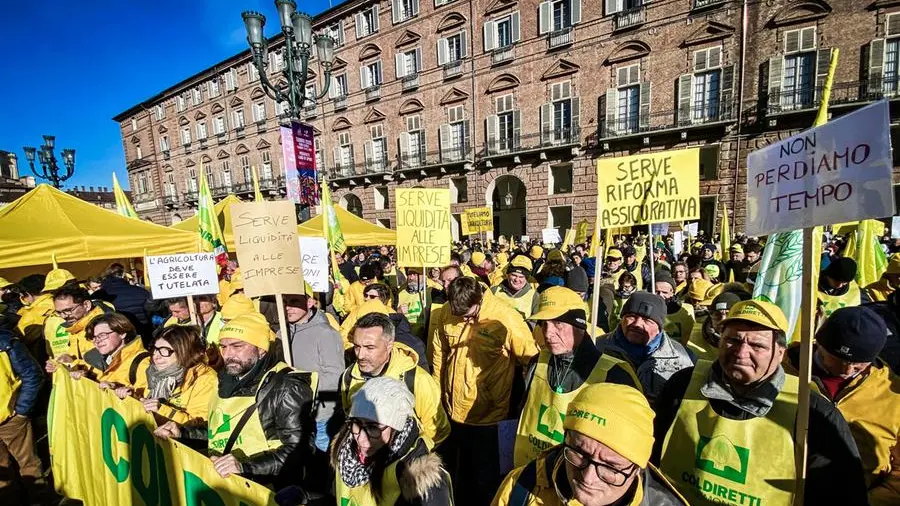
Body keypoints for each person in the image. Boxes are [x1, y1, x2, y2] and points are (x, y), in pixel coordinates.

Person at [653, 300, 868, 505]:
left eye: (757, 345)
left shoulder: (810, 412)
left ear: (780, 354)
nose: (741, 353)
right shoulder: (683, 384)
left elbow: (842, 494)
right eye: (733, 340)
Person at [155, 313, 316, 486]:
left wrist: (245, 467)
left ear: (261, 349)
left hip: (269, 489)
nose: (228, 354)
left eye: (237, 346)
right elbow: (219, 429)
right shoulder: (224, 380)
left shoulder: (286, 386)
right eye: (223, 347)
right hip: (229, 487)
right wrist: (183, 432)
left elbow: (300, 450)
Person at [431, 276, 539, 505]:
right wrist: (437, 392)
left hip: (488, 416)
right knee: (458, 474)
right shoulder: (447, 311)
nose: (463, 319)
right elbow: (440, 352)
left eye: (468, 315)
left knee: (484, 478)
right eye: (459, 315)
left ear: (479, 300)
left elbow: (531, 358)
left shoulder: (505, 317)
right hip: (453, 411)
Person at [493, 384, 687, 506]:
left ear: (637, 469)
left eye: (610, 466)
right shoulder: (522, 485)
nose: (588, 478)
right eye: (580, 453)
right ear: (566, 440)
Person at [784, 306, 900, 505]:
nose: (847, 369)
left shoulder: (893, 394)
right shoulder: (781, 371)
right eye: (839, 359)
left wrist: (866, 502)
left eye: (858, 364)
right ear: (820, 344)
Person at [514, 287, 640, 467]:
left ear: (579, 325)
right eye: (544, 324)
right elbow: (521, 411)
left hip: (579, 477)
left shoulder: (614, 374)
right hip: (530, 471)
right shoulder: (538, 361)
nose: (548, 333)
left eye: (558, 323)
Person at [331, 377, 453, 505]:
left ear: (397, 427)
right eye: (356, 423)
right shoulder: (344, 453)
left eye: (373, 428)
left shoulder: (422, 482)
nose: (361, 439)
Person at [341, 313, 449, 445]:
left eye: (370, 347)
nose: (360, 355)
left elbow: (437, 431)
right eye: (357, 346)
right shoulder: (349, 377)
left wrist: (412, 453)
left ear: (389, 345)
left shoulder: (417, 380)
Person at [280, 290, 345, 454]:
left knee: (322, 459)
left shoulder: (326, 334)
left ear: (310, 303)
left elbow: (334, 375)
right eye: (285, 302)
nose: (287, 307)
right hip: (291, 414)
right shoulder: (282, 334)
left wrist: (303, 393)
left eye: (294, 301)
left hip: (320, 416)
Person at [606, 292, 694, 404]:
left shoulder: (684, 358)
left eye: (647, 320)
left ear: (659, 327)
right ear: (622, 318)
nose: (637, 324)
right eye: (631, 316)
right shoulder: (599, 348)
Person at [132, 325, 217, 425]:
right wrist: (132, 397)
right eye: (155, 349)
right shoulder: (154, 372)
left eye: (165, 351)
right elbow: (145, 404)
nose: (156, 356)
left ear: (184, 352)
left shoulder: (206, 380)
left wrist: (161, 410)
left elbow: (200, 426)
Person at [0, 328, 45, 505]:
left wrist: (21, 411)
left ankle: (39, 501)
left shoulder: (5, 341)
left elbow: (32, 374)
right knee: (2, 474)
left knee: (29, 466)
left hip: (11, 420)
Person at [43, 284, 113, 361]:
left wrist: (73, 363)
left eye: (68, 310)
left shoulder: (104, 327)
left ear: (87, 305)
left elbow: (108, 364)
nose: (63, 316)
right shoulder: (74, 328)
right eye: (59, 312)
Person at [97, 262, 152, 339]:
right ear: (123, 275)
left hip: (114, 336)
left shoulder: (99, 295)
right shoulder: (142, 291)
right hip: (143, 333)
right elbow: (151, 310)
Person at [686, 291, 743, 362]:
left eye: (729, 314)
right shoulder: (691, 338)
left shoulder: (748, 342)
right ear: (710, 316)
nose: (723, 320)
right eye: (717, 315)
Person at [491, 255, 541, 319]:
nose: (517, 280)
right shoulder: (494, 291)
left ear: (526, 278)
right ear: (508, 275)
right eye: (514, 275)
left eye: (521, 277)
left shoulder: (534, 297)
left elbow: (535, 321)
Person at [655, 273, 695, 346]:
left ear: (672, 292)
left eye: (664, 292)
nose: (660, 295)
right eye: (657, 291)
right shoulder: (646, 308)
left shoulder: (686, 310)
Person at [397, 268, 429, 338]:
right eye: (409, 274)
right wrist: (398, 312)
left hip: (426, 337)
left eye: (415, 274)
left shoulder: (431, 292)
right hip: (406, 337)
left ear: (424, 275)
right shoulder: (400, 293)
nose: (411, 278)